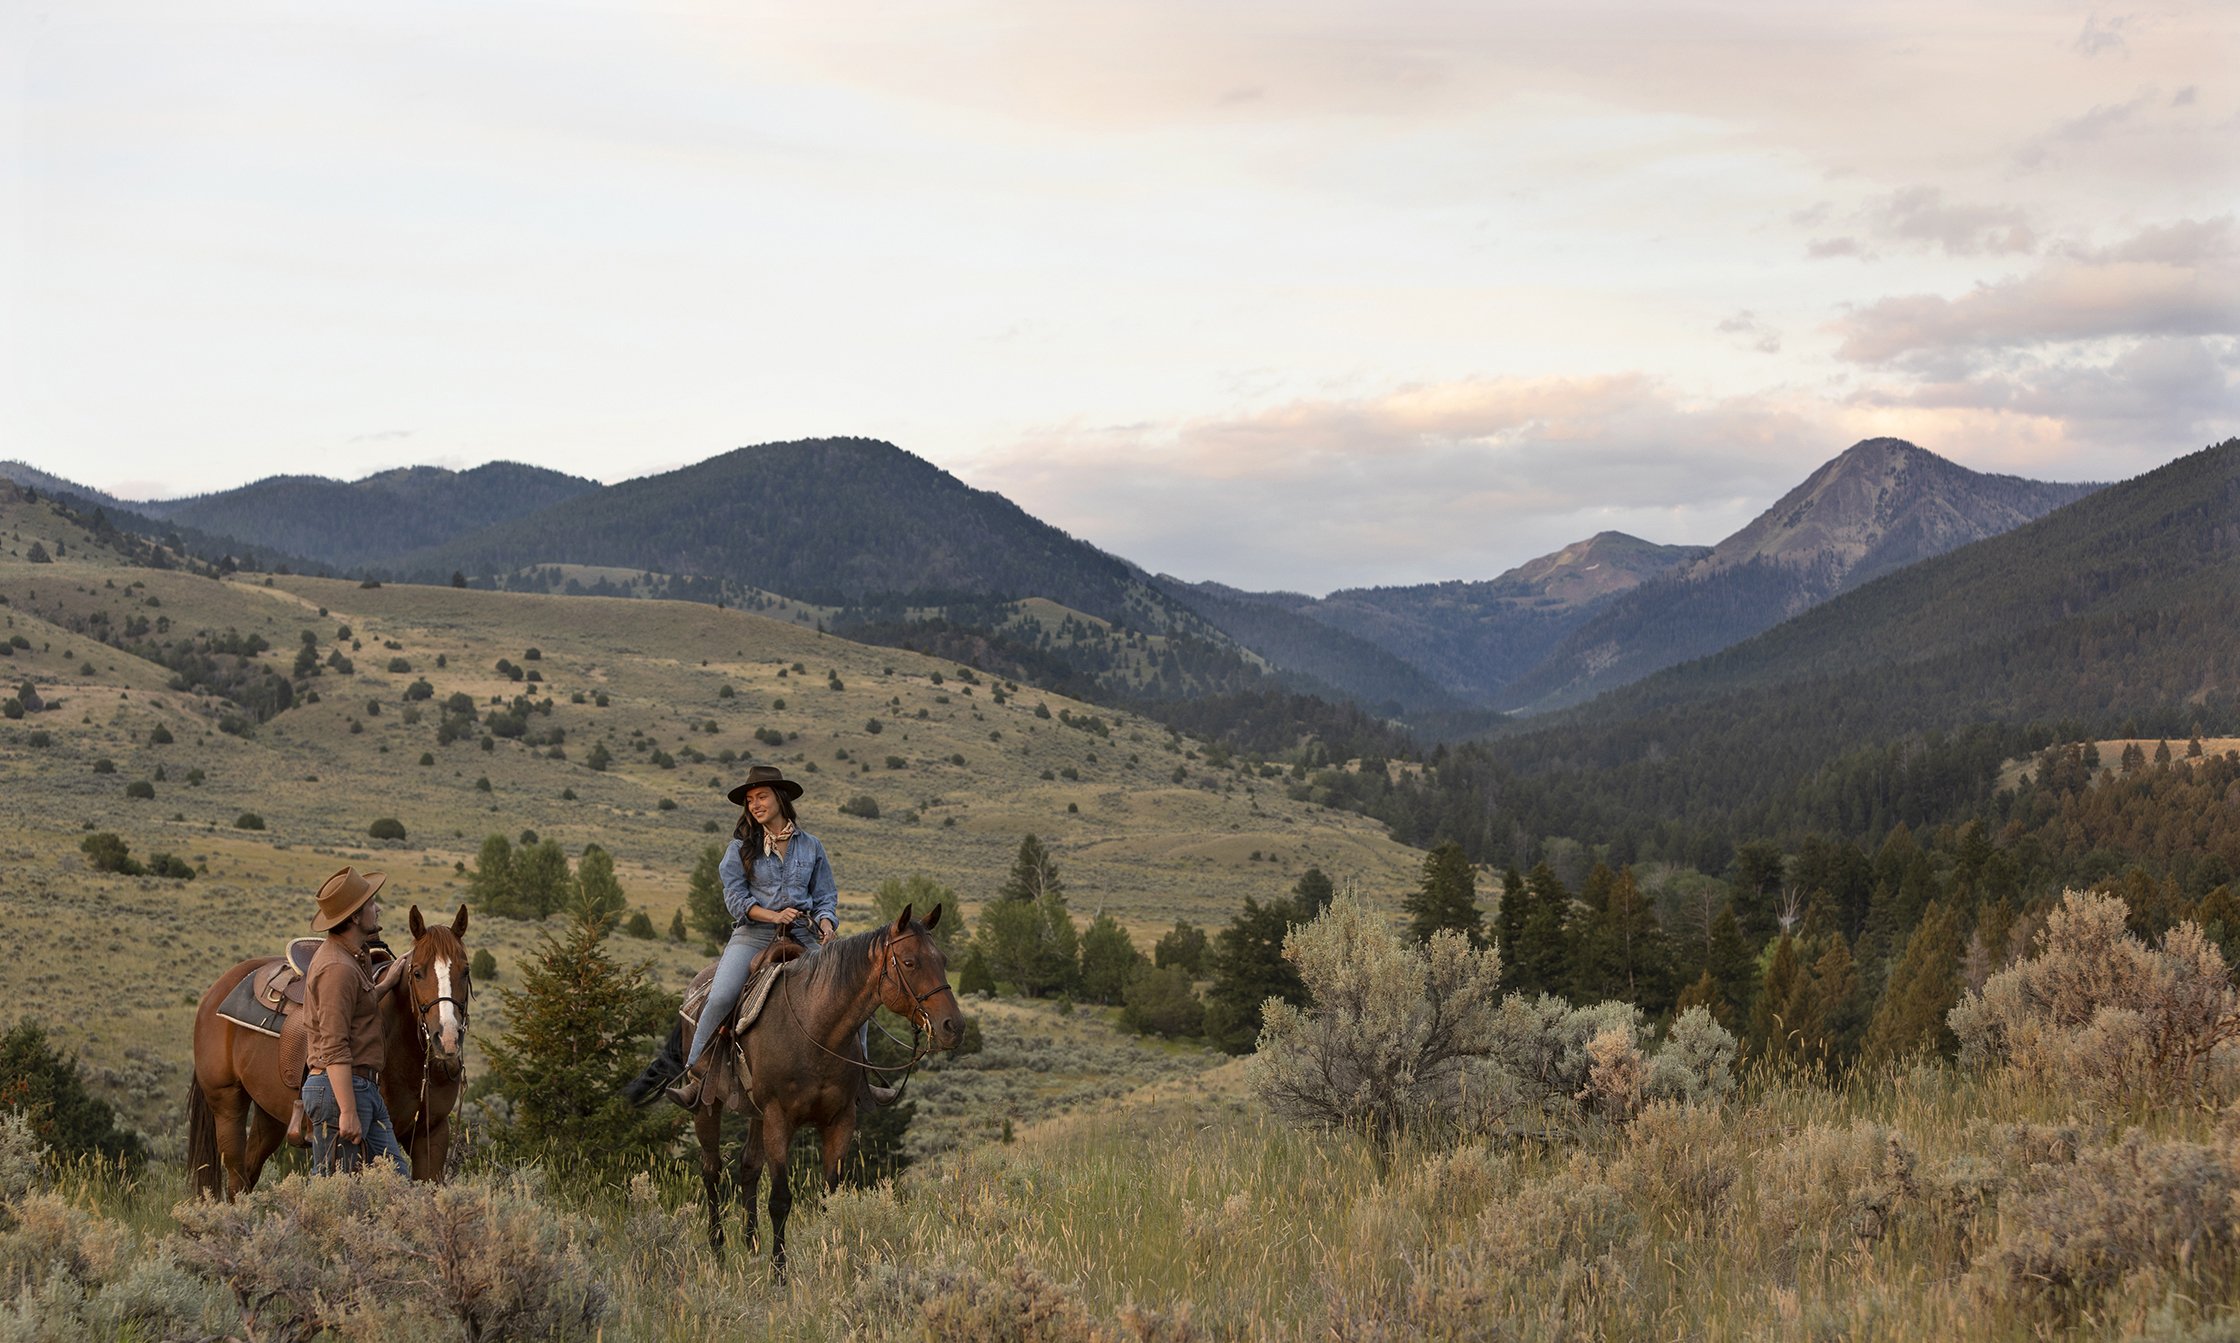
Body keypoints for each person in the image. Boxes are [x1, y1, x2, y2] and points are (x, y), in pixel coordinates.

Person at [668, 764, 839, 1106]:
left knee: (846, 990)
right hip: (754, 934)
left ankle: (859, 1077)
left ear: (780, 798)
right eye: (749, 800)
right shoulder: (739, 849)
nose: (755, 805)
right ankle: (694, 1076)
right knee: (720, 997)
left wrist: (826, 924)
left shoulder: (811, 846)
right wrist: (774, 914)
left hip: (803, 934)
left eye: (761, 796)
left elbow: (825, 897)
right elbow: (736, 900)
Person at [301, 866, 411, 1175]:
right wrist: (348, 1110)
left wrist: (386, 985)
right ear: (353, 917)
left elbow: (355, 1012)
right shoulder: (338, 968)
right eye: (371, 903)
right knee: (336, 1192)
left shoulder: (349, 958)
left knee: (396, 1182)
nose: (377, 909)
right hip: (341, 1091)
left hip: (362, 1089)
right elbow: (335, 1043)